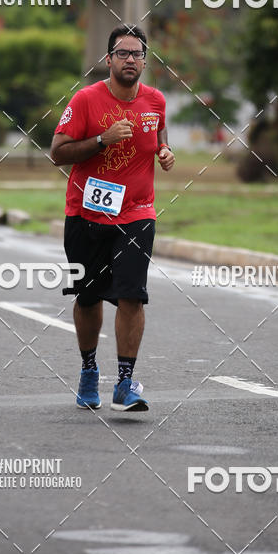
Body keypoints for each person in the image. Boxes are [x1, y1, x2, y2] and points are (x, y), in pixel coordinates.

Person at [50, 24, 175, 412]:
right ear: (109, 60)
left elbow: (158, 133)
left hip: (137, 213)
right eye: (123, 54)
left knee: (132, 296)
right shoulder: (86, 100)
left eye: (138, 54)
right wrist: (102, 139)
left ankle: (124, 382)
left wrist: (165, 151)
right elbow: (58, 152)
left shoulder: (155, 101)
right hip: (86, 212)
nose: (131, 60)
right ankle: (89, 371)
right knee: (88, 298)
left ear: (144, 61)